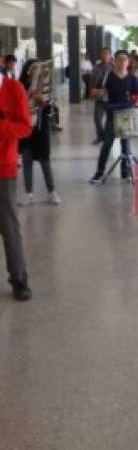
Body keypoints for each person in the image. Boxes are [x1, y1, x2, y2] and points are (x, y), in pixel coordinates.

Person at [0, 64, 32, 300]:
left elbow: (25, 127)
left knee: (9, 225)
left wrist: (2, 126)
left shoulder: (13, 89)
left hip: (3, 168)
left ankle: (19, 278)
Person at [90, 50, 138, 183]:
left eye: (125, 59)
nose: (122, 62)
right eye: (119, 59)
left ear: (128, 62)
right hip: (112, 116)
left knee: (126, 146)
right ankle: (99, 172)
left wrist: (136, 101)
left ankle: (125, 172)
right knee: (107, 145)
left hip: (126, 116)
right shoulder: (108, 76)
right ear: (115, 61)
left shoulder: (133, 79)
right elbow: (94, 92)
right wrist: (99, 93)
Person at [17, 60, 60, 205]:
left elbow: (51, 111)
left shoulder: (46, 87)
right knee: (27, 159)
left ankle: (52, 192)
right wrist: (28, 97)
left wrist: (43, 102)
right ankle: (29, 194)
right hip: (26, 128)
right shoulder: (20, 86)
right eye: (33, 70)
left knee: (44, 160)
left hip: (41, 128)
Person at [88, 48, 113, 145]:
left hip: (111, 97)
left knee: (110, 119)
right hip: (99, 96)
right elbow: (92, 81)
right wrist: (91, 91)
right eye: (102, 54)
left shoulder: (114, 67)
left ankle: (108, 136)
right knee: (97, 118)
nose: (104, 56)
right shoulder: (96, 67)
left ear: (110, 55)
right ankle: (101, 135)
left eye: (106, 54)